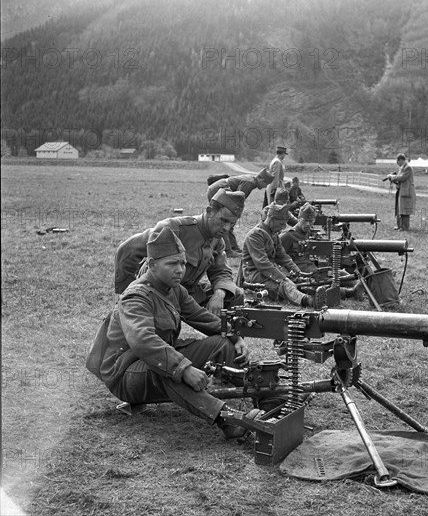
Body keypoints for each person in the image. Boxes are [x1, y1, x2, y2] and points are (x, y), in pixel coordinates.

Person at [95, 227, 257, 439]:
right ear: (152, 265)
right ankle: (227, 420)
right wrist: (184, 367)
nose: (180, 269)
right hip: (126, 373)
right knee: (168, 368)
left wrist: (235, 336)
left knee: (221, 344)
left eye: (182, 263)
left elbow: (203, 318)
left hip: (157, 358)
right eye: (172, 263)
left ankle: (263, 394)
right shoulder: (135, 297)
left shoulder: (174, 290)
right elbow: (143, 341)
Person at [115, 188, 246, 315]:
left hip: (187, 292)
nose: (227, 228)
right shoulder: (175, 228)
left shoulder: (217, 239)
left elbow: (221, 271)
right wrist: (127, 295)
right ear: (210, 211)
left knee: (234, 296)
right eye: (223, 220)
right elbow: (127, 250)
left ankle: (225, 335)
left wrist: (219, 294)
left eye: (232, 224)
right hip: (158, 291)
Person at [241, 203, 324, 308]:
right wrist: (284, 279)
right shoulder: (255, 235)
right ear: (271, 219)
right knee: (283, 286)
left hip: (270, 273)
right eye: (281, 223)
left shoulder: (273, 234)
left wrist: (298, 273)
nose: (283, 227)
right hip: (255, 276)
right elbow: (263, 264)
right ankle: (308, 301)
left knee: (300, 282)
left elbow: (283, 257)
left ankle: (342, 292)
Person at [280, 203, 364, 301]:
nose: (307, 224)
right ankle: (350, 292)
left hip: (314, 269)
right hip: (301, 274)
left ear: (314, 221)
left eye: (310, 221)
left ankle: (362, 289)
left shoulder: (307, 233)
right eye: (304, 221)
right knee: (323, 286)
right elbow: (276, 258)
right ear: (299, 218)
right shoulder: (287, 236)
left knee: (342, 274)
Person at [206, 168, 274, 257]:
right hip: (216, 191)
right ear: (260, 179)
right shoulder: (250, 182)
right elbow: (238, 199)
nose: (265, 186)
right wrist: (235, 216)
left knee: (228, 223)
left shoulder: (251, 180)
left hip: (218, 190)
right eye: (265, 183)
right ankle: (228, 251)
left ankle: (234, 248)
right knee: (224, 222)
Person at [385, 153, 416, 231]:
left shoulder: (408, 168)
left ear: (401, 160)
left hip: (407, 192)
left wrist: (392, 177)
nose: (397, 163)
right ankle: (400, 226)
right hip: (401, 191)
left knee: (405, 210)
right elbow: (399, 180)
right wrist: (393, 179)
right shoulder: (402, 168)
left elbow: (402, 178)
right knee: (400, 209)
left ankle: (405, 227)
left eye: (397, 161)